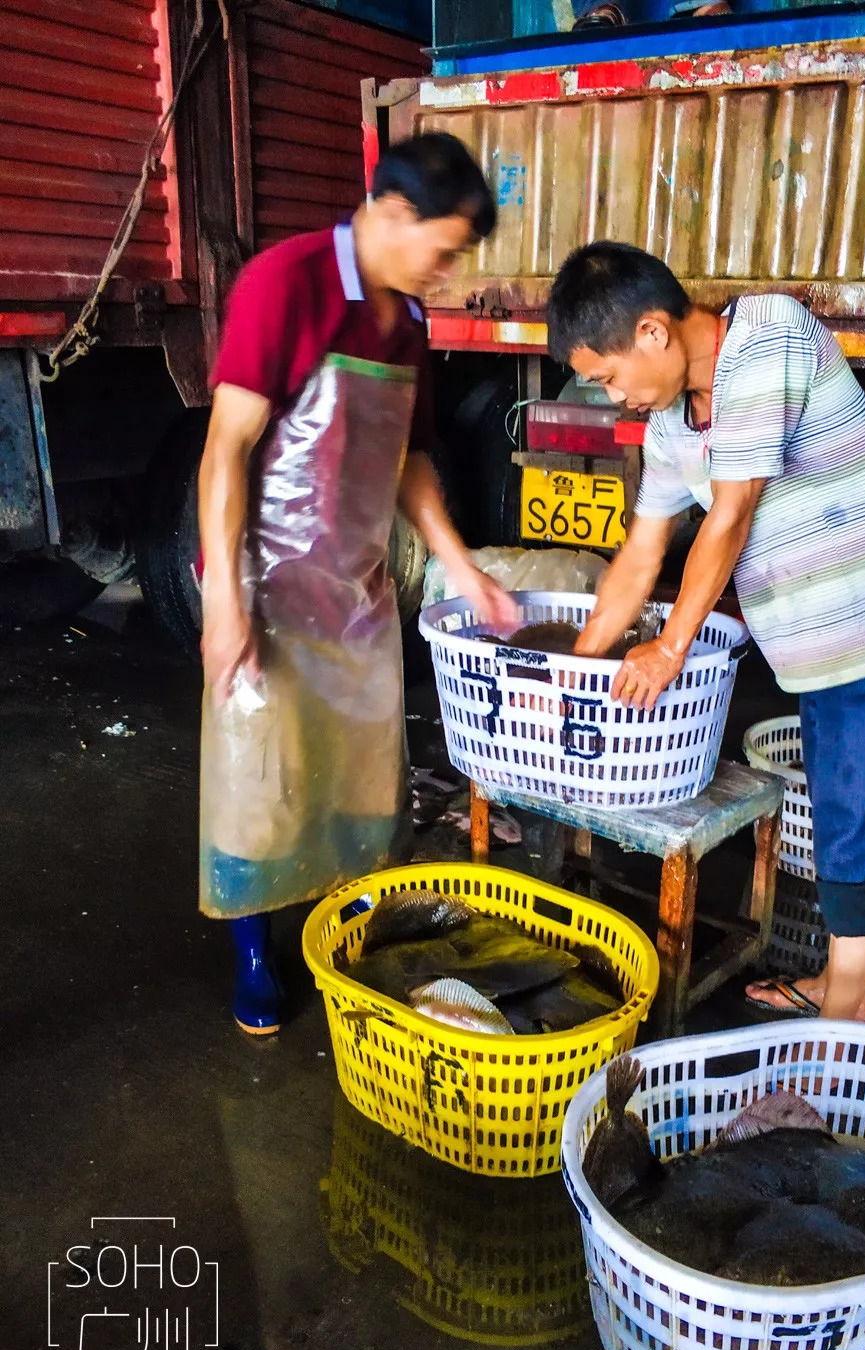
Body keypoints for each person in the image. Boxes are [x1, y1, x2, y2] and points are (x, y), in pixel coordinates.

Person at [546, 241, 865, 1023]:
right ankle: (839, 989)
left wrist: (669, 648)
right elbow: (642, 552)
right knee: (848, 811)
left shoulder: (769, 336)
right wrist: (574, 671)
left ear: (654, 333)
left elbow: (730, 516)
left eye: (609, 376)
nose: (614, 396)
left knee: (856, 833)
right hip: (817, 641)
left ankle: (841, 1034)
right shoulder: (671, 421)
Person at [198, 132, 517, 1034]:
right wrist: (226, 600)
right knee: (260, 776)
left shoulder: (404, 321)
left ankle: (335, 934)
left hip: (356, 582)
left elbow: (410, 459)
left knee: (361, 779)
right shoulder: (285, 283)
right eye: (443, 250)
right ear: (390, 212)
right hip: (266, 581)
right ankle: (256, 956)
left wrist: (463, 571)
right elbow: (226, 451)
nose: (446, 271)